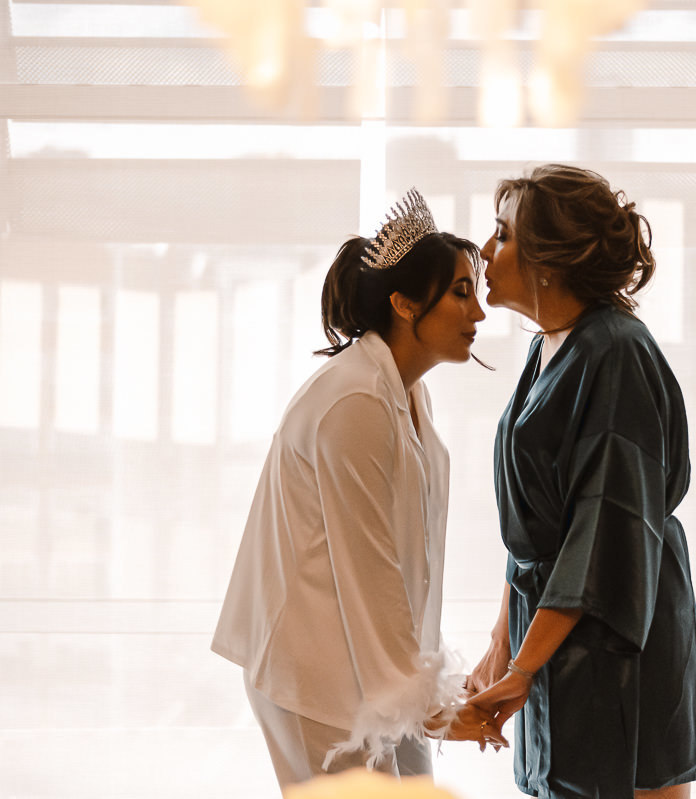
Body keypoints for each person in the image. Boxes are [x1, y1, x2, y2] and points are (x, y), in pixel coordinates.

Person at [212, 189, 505, 790]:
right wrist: (431, 708)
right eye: (460, 292)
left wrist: (427, 695)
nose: (479, 313)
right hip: (317, 677)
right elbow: (367, 566)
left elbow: (407, 563)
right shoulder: (354, 400)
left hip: (371, 668)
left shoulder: (407, 392)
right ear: (403, 303)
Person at [466, 165, 696, 799]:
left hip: (617, 626)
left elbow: (604, 531)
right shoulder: (549, 345)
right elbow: (536, 528)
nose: (485, 250)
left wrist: (524, 663)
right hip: (551, 622)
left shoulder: (615, 351)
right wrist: (503, 640)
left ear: (549, 261)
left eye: (502, 234)